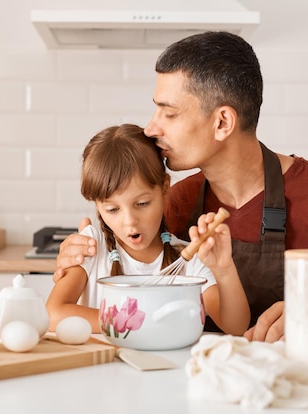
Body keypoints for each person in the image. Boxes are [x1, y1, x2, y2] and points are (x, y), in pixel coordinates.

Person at [52, 32, 308, 359]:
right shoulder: (174, 203)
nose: (151, 128)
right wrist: (86, 248)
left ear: (222, 122)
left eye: (169, 113)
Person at [46, 124, 250, 336]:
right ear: (97, 205)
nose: (130, 221)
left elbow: (236, 326)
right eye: (113, 209)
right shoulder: (92, 248)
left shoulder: (189, 260)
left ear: (164, 188)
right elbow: (53, 313)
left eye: (142, 203)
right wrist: (134, 322)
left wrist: (224, 269)